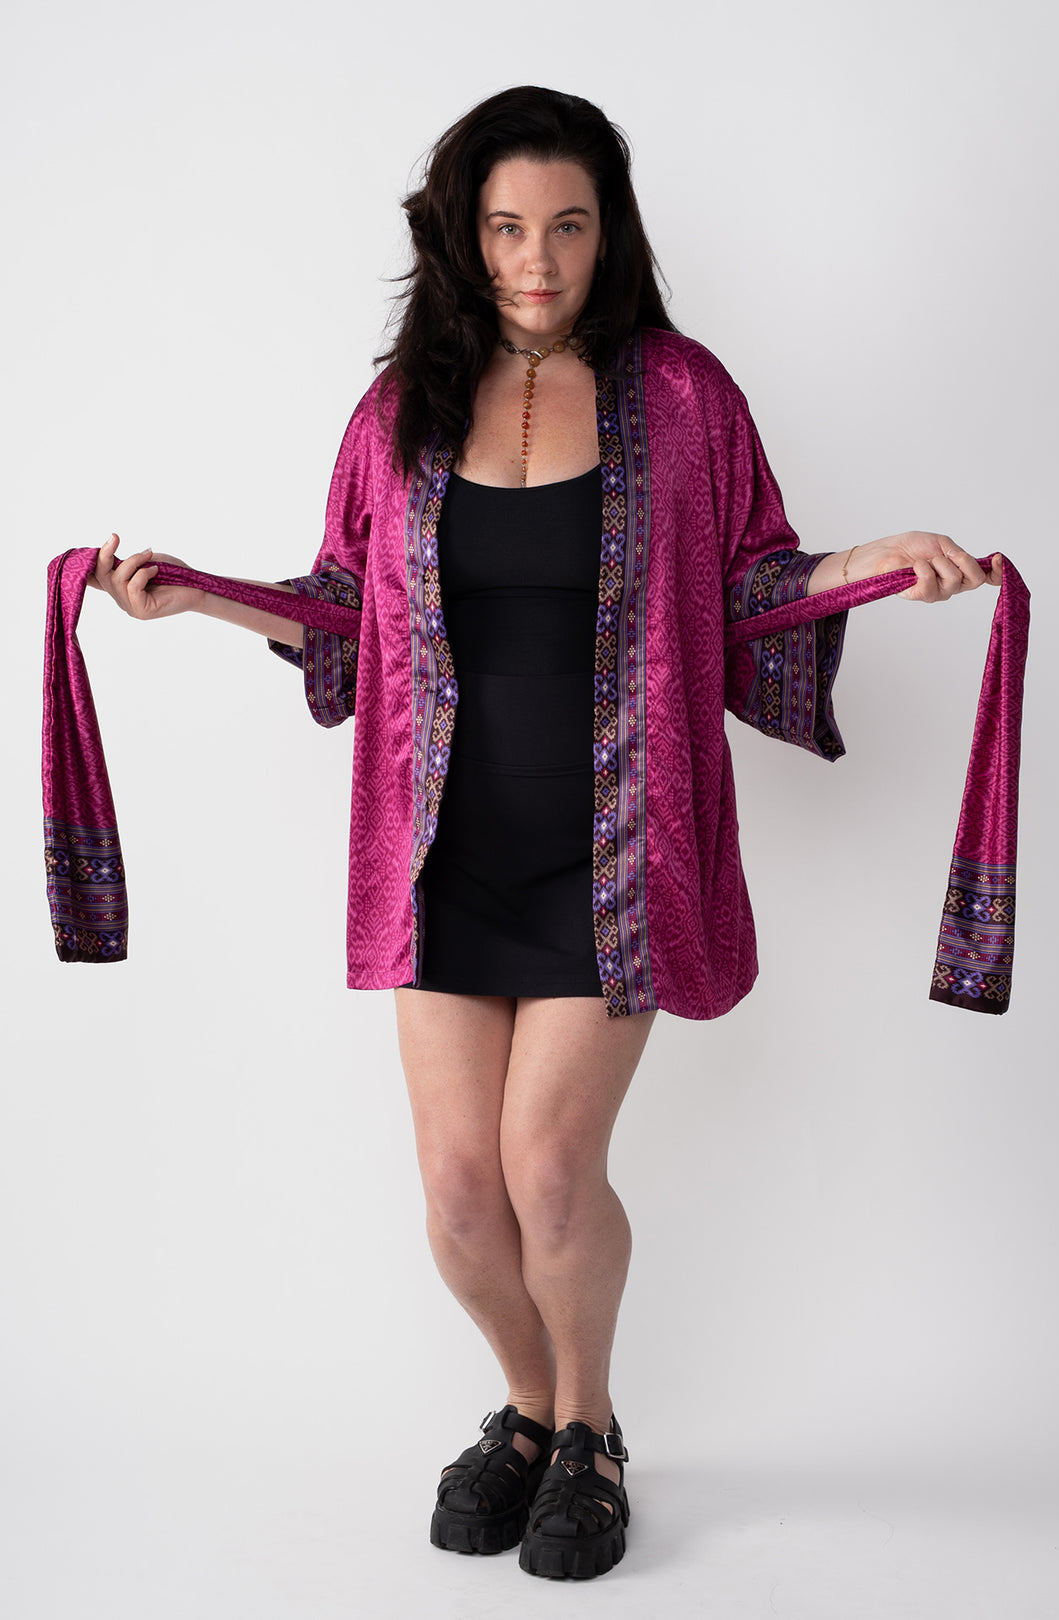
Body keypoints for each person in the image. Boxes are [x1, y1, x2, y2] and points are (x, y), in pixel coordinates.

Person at [91, 86, 1002, 1582]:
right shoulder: (398, 411)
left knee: (551, 1170)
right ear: (464, 234)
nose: (535, 258)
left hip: (614, 850)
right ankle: (528, 1411)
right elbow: (345, 607)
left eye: (566, 227)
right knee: (461, 1194)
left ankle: (591, 1430)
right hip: (439, 851)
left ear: (607, 233)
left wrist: (870, 561)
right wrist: (195, 597)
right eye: (508, 227)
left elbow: (752, 582)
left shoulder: (684, 396)